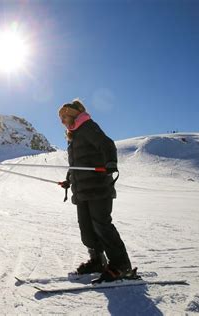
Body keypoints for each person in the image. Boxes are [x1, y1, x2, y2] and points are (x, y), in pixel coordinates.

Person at [58, 99, 134, 282]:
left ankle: (121, 265)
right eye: (60, 118)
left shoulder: (88, 127)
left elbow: (107, 145)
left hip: (99, 188)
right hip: (82, 190)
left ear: (73, 114)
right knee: (86, 229)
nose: (62, 121)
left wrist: (110, 163)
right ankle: (97, 261)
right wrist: (69, 180)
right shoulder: (74, 136)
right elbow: (76, 165)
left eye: (64, 116)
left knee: (102, 226)